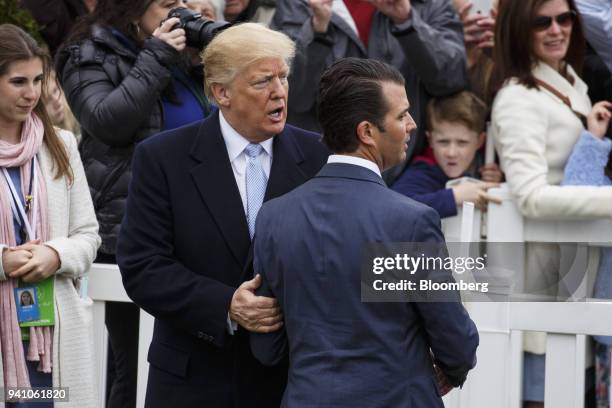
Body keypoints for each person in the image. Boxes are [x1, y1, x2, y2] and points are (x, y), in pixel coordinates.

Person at [116, 23, 329, 407]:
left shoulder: (318, 156)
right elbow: (143, 266)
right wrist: (225, 303)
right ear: (221, 93)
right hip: (192, 382)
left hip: (288, 383)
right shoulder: (163, 158)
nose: (279, 91)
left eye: (283, 76)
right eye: (264, 80)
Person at [250, 57, 479, 407]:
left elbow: (267, 346)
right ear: (367, 132)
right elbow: (455, 340)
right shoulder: (410, 221)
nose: (412, 124)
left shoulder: (273, 217)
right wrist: (453, 367)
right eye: (402, 115)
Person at [56, 0, 211, 406]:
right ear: (131, 6)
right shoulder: (87, 52)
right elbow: (108, 120)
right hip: (129, 225)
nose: (176, 10)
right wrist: (157, 55)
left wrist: (201, 58)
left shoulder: (172, 52)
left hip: (193, 221)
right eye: (164, 3)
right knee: (130, 360)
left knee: (184, 356)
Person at [489, 0, 612, 405]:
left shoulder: (570, 82)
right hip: (546, 277)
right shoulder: (516, 97)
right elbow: (530, 197)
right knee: (545, 394)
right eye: (542, 22)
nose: (557, 29)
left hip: (581, 271)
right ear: (518, 29)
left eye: (565, 18)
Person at [0, 24, 100, 407]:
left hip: (50, 342)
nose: (32, 93)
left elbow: (88, 235)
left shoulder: (60, 145)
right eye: (18, 81)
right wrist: (3, 261)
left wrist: (55, 255)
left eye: (39, 80)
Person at [272, 0, 468, 179]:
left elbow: (450, 80)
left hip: (406, 178)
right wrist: (317, 32)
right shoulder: (298, 3)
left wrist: (406, 21)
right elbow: (290, 96)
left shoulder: (428, 4)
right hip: (322, 175)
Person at [392, 91, 502, 218]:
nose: (451, 153)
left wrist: (497, 184)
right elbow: (396, 208)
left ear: (480, 141)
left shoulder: (485, 166)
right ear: (430, 140)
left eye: (462, 143)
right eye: (443, 142)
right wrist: (454, 196)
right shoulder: (422, 172)